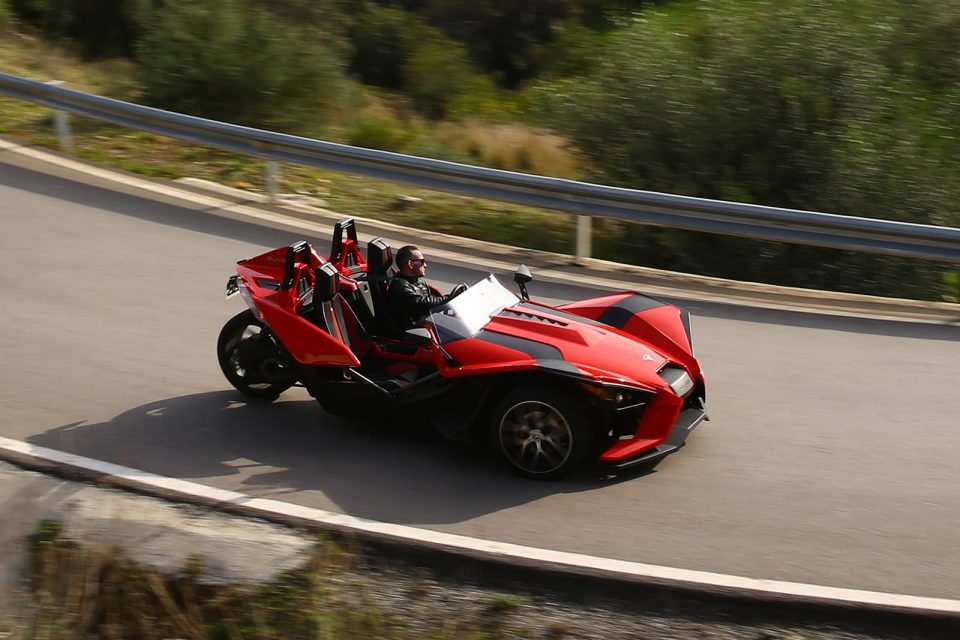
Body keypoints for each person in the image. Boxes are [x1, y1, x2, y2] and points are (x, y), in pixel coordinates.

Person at [386, 245, 466, 333]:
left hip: (426, 325)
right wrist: (450, 297)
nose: (425, 265)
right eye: (422, 261)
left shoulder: (420, 282)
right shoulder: (400, 285)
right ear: (410, 264)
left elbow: (432, 302)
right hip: (413, 334)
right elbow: (422, 304)